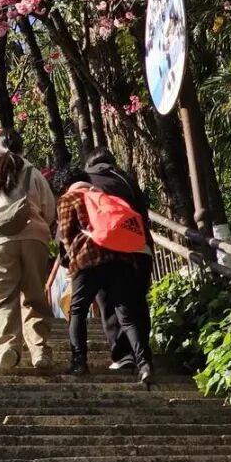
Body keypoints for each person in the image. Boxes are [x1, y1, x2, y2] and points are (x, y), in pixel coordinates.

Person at [53, 164, 153, 386]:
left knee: (77, 310)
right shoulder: (104, 196)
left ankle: (79, 362)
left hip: (88, 260)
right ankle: (144, 363)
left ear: (64, 185)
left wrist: (71, 264)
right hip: (121, 260)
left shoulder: (69, 198)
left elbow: (67, 236)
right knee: (126, 315)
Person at [0, 128, 56, 376]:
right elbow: (49, 210)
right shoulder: (34, 174)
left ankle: (7, 347)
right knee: (34, 296)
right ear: (22, 149)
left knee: (3, 297)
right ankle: (39, 350)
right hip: (34, 238)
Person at [83, 146, 154, 370]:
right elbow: (143, 215)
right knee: (137, 301)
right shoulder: (126, 180)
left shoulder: (88, 181)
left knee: (110, 303)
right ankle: (143, 352)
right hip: (139, 248)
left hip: (107, 250)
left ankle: (123, 354)